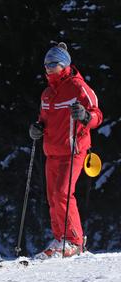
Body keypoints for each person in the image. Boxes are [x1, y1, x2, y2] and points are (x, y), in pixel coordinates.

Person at [29, 42, 103, 259]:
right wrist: (37, 129)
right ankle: (61, 238)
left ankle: (74, 241)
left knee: (63, 194)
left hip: (74, 150)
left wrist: (86, 117)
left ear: (65, 65)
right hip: (52, 151)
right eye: (46, 64)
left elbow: (97, 113)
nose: (49, 68)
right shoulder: (47, 94)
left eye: (53, 64)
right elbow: (43, 120)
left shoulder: (78, 87)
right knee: (53, 197)